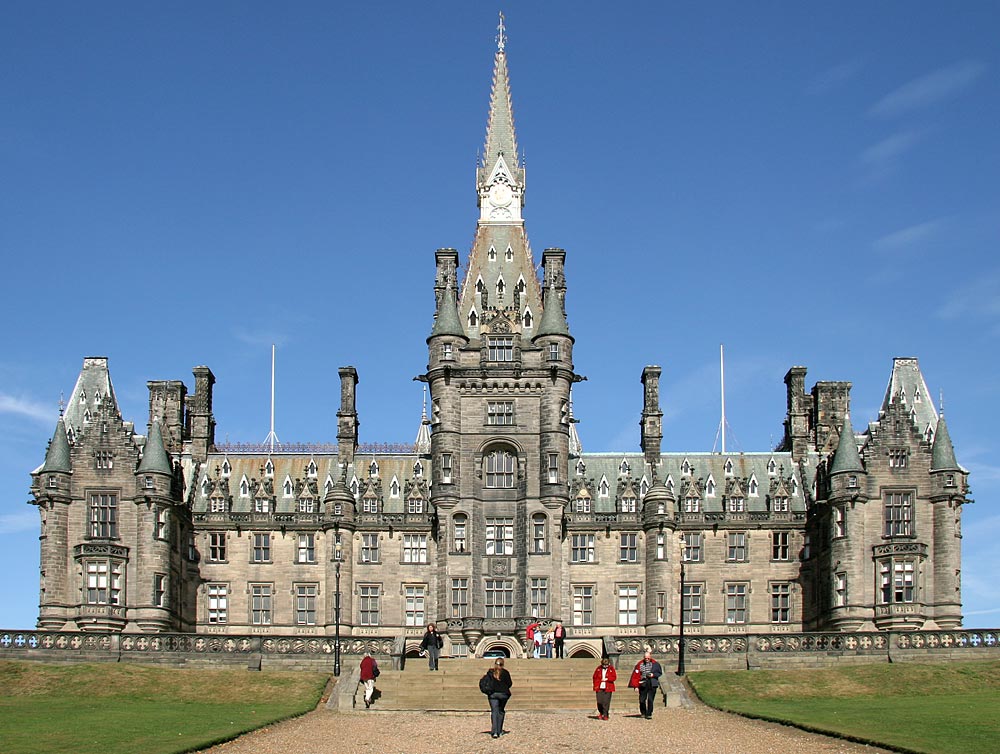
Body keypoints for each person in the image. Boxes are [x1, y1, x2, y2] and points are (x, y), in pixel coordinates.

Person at [479, 657, 513, 739]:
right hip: (503, 694)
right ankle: (499, 730)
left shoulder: (490, 672)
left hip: (493, 694)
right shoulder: (505, 673)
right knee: (501, 711)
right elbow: (509, 684)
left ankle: (494, 732)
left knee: (494, 712)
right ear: (503, 664)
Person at [628, 650, 662, 719]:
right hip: (643, 682)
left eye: (648, 658)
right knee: (642, 699)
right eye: (645, 658)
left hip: (652, 682)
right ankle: (643, 712)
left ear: (650, 657)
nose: (647, 659)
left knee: (650, 699)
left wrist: (653, 675)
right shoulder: (640, 664)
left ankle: (649, 713)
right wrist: (635, 686)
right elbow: (635, 675)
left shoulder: (655, 664)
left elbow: (659, 673)